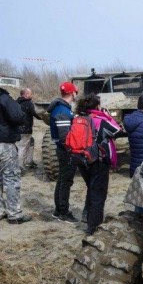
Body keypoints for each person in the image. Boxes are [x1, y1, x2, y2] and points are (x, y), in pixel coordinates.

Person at [0, 69, 32, 224]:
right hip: (4, 143)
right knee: (11, 178)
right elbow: (18, 117)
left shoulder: (1, 97)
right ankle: (14, 214)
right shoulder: (2, 97)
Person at [74, 94, 121, 235]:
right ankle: (93, 228)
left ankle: (87, 219)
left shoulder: (78, 119)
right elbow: (117, 130)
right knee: (98, 195)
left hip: (82, 160)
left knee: (91, 189)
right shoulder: (101, 120)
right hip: (98, 160)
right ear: (97, 106)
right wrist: (108, 116)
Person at [48, 81, 79, 223]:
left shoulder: (61, 108)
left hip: (62, 150)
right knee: (66, 181)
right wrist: (72, 149)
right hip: (66, 151)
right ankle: (63, 212)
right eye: (75, 92)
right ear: (72, 93)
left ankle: (58, 210)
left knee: (62, 179)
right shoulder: (62, 111)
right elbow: (64, 137)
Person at [16, 88, 41, 171]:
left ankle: (29, 162)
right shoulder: (28, 104)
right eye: (30, 94)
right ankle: (20, 167)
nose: (31, 95)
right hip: (25, 130)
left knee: (31, 142)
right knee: (22, 147)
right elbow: (35, 114)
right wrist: (43, 117)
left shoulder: (15, 103)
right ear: (26, 94)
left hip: (17, 129)